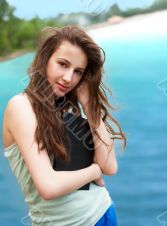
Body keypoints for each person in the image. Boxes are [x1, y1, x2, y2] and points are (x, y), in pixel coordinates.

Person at [2, 25, 126, 225]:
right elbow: (48, 187)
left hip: (103, 212)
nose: (68, 78)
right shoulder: (21, 107)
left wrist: (90, 107)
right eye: (63, 64)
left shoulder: (69, 107)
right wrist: (94, 171)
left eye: (78, 71)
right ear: (45, 60)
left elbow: (110, 166)